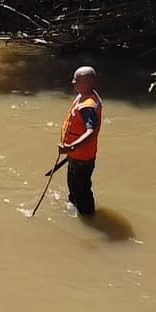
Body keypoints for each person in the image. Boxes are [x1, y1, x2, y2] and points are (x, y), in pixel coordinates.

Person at [58, 66, 103, 216]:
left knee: (81, 188)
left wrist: (71, 147)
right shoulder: (84, 96)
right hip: (76, 154)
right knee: (73, 183)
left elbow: (90, 131)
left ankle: (88, 216)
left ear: (88, 83)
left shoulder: (88, 106)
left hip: (82, 156)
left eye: (76, 81)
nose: (73, 82)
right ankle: (73, 203)